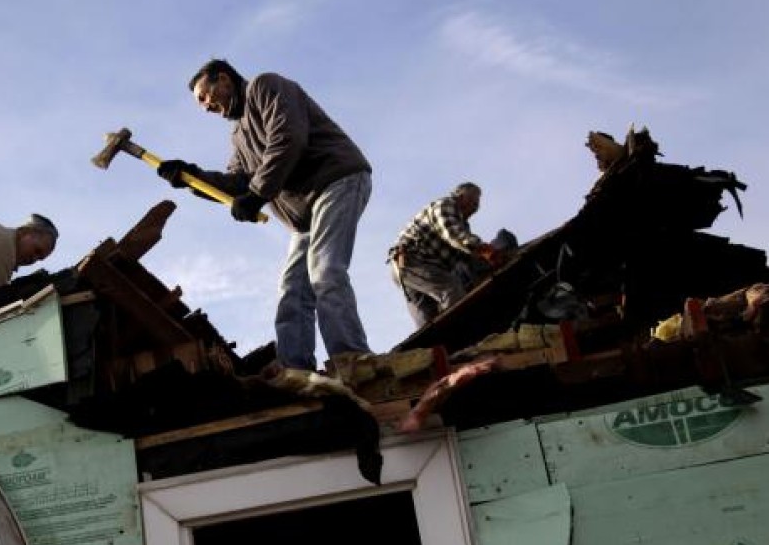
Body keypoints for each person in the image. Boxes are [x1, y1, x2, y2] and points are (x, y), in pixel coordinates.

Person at [156, 58, 373, 371]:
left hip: (335, 180)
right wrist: (191, 177)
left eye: (205, 96)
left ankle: (352, 359)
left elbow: (288, 137)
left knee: (325, 271)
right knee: (292, 290)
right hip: (303, 213)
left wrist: (258, 194)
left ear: (225, 80)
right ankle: (296, 369)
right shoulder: (239, 136)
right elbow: (237, 183)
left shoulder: (265, 86)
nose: (205, 107)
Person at [388, 182, 510, 328]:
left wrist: (487, 261)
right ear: (461, 196)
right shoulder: (446, 205)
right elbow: (455, 235)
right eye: (474, 201)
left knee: (428, 318)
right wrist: (486, 250)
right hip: (413, 261)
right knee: (451, 289)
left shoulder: (462, 224)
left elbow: (466, 256)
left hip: (407, 268)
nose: (476, 207)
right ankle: (457, 336)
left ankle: (434, 345)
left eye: (477, 204)